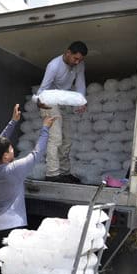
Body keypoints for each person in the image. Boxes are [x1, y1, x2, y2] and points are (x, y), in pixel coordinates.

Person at [0, 104, 56, 274]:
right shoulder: (13, 170)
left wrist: (13, 122)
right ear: (6, 156)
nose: (12, 150)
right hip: (12, 226)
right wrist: (45, 128)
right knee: (12, 265)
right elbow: (37, 153)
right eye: (9, 150)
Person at [36, 41, 88, 184]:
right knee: (56, 137)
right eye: (75, 58)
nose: (77, 62)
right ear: (67, 53)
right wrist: (40, 102)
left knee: (68, 139)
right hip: (49, 100)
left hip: (63, 100)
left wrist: (81, 100)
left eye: (80, 60)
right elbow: (43, 88)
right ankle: (52, 173)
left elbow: (80, 83)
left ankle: (65, 172)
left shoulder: (79, 65)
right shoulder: (54, 66)